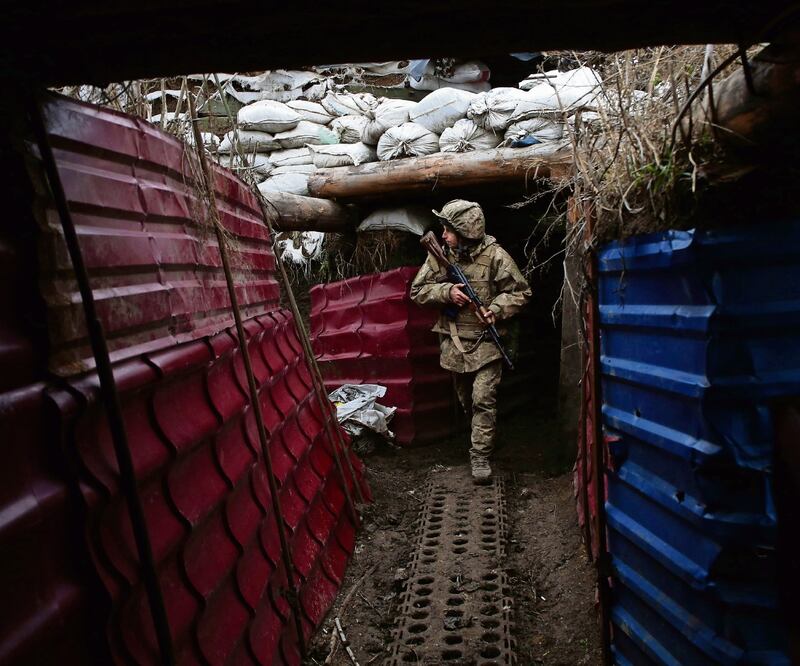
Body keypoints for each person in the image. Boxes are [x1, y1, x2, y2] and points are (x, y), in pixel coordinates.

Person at [410, 200, 531, 484]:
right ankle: (483, 437)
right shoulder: (441, 255)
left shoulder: (495, 256)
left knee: (482, 399)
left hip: (488, 341)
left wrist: (497, 309)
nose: (443, 234)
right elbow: (418, 291)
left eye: (449, 229)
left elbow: (521, 291)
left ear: (466, 231)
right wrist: (446, 291)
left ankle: (480, 457)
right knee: (467, 399)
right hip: (456, 341)